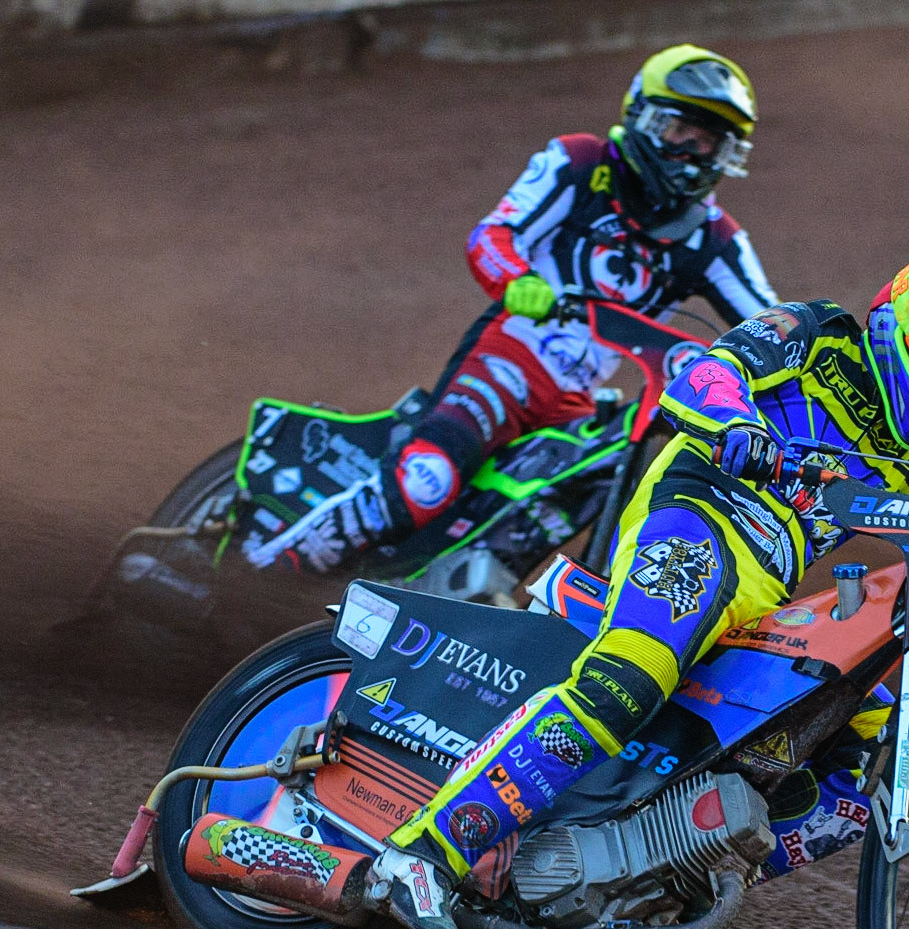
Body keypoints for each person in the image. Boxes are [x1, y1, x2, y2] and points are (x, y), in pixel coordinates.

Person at [364, 247, 909, 929]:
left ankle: (670, 881)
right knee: (630, 676)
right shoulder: (816, 335)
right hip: (697, 520)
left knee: (865, 753)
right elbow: (703, 373)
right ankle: (424, 851)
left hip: (767, 591)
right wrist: (738, 424)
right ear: (893, 321)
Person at [251, 44, 777, 574]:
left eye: (708, 141)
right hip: (508, 358)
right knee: (427, 480)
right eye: (678, 129)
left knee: (582, 490)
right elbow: (493, 235)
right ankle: (264, 570)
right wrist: (519, 280)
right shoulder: (581, 163)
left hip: (576, 399)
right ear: (641, 115)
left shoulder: (717, 239)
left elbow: (774, 327)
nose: (689, 151)